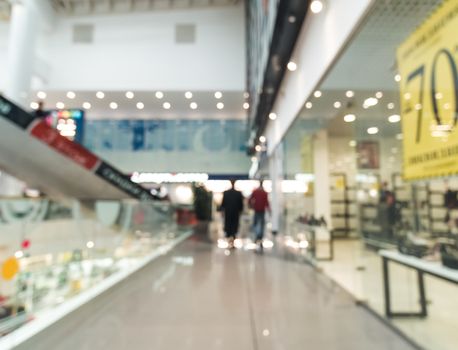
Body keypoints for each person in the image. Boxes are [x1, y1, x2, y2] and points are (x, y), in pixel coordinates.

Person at [220, 179, 244, 246]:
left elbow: (223, 203)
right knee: (234, 224)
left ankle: (229, 236)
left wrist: (222, 211)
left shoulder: (226, 193)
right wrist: (240, 210)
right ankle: (232, 236)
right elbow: (241, 204)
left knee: (228, 223)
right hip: (235, 212)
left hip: (228, 211)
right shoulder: (238, 193)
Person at [249, 180, 270, 247]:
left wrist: (251, 206)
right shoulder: (264, 193)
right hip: (262, 211)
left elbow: (250, 200)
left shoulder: (255, 192)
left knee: (255, 224)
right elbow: (267, 202)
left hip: (257, 210)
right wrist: (269, 209)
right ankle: (259, 237)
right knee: (261, 224)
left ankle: (257, 236)